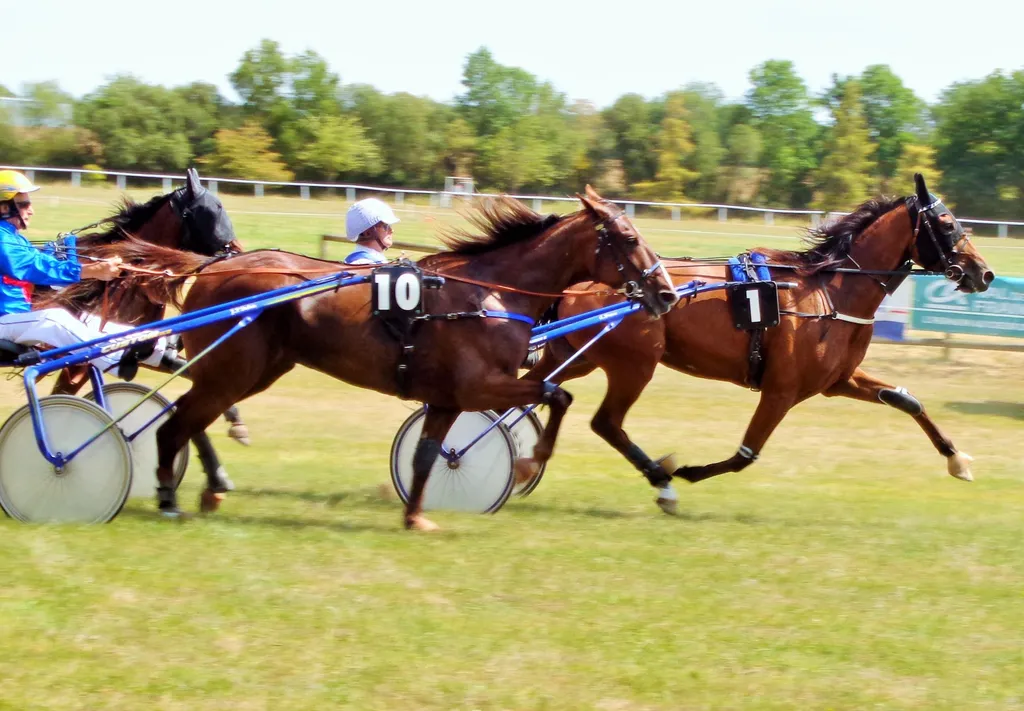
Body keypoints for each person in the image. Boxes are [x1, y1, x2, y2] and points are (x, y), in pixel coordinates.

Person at [0, 170, 170, 373]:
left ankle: (156, 344)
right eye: (24, 204)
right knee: (53, 319)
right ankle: (115, 360)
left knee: (88, 320)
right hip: (5, 323)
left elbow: (40, 260)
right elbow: (30, 266)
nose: (31, 210)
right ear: (4, 207)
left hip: (15, 319)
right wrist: (90, 270)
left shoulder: (14, 237)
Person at [343, 197, 400, 265]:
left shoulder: (374, 259)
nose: (391, 230)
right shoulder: (363, 263)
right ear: (367, 232)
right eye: (385, 226)